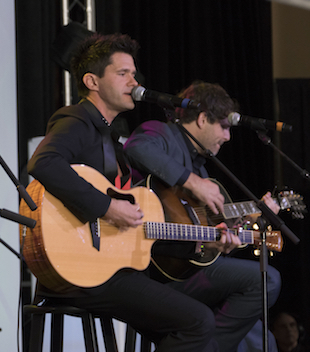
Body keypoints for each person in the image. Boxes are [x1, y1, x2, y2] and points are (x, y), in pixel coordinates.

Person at [28, 33, 222, 351]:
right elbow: (43, 163)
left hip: (115, 266)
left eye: (133, 73)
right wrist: (106, 207)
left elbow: (139, 225)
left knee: (203, 333)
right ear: (92, 81)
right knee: (198, 322)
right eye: (123, 74)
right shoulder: (75, 120)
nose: (134, 81)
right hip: (83, 271)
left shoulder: (112, 135)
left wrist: (205, 240)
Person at [123, 80, 282, 351]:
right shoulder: (160, 133)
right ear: (202, 119)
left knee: (261, 339)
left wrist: (219, 243)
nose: (228, 136)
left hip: (183, 267)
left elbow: (199, 241)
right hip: (151, 271)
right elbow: (136, 148)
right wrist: (192, 181)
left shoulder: (202, 172)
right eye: (223, 126)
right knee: (265, 280)